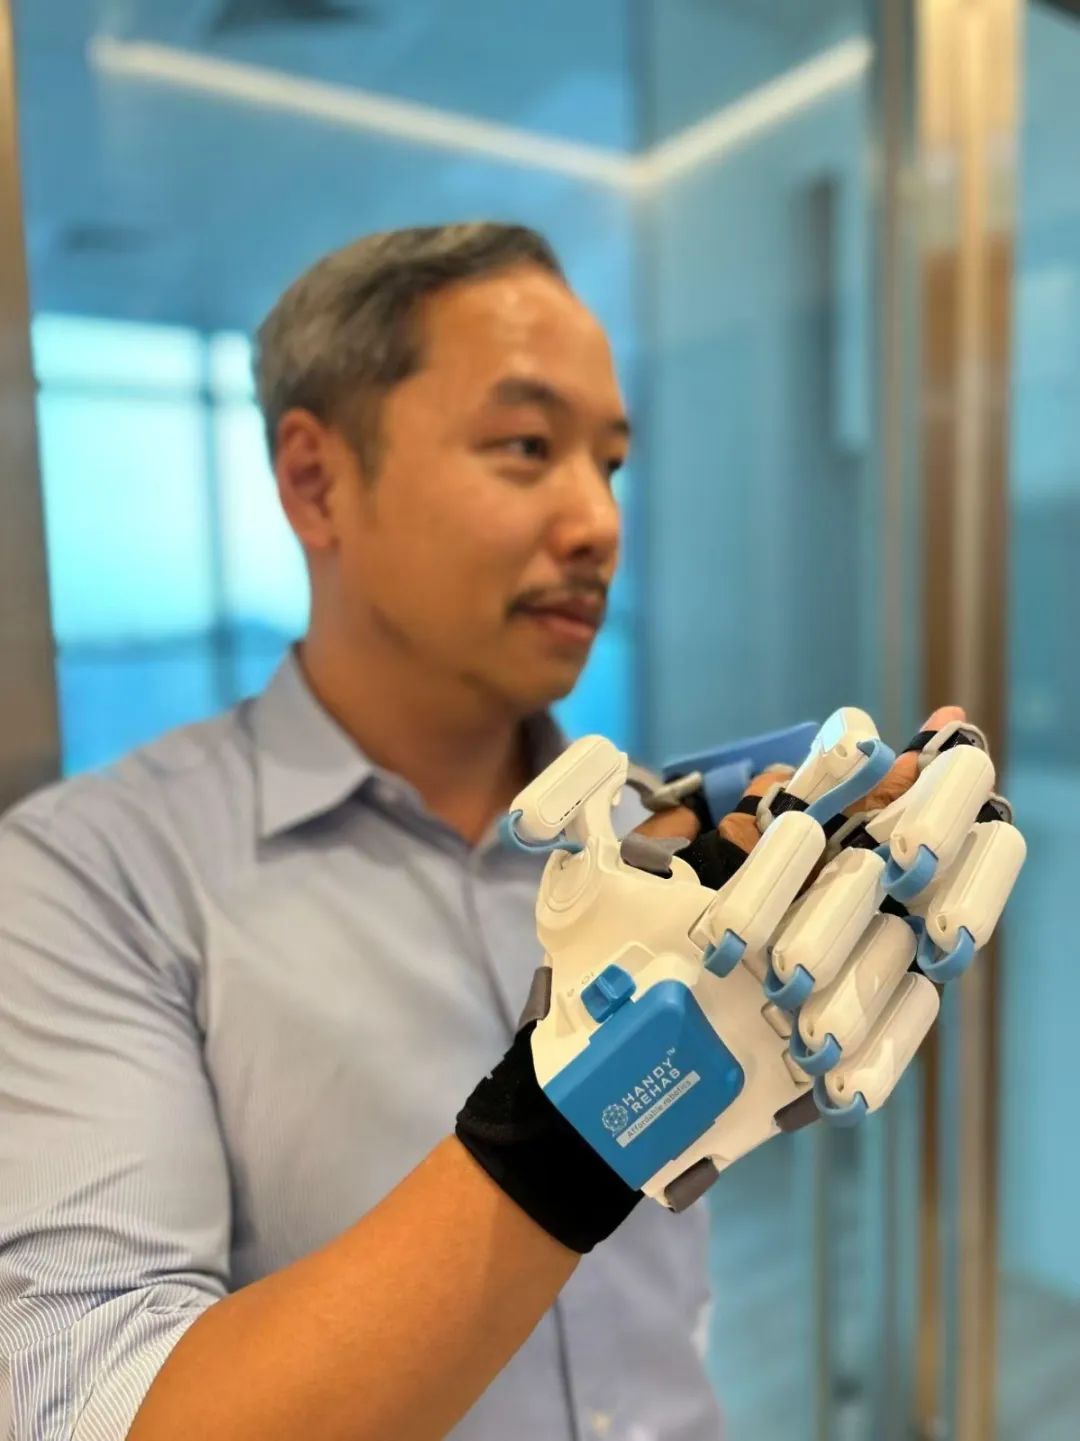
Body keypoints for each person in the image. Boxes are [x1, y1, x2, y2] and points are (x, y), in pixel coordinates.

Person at [0, 223, 953, 1441]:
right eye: (526, 447)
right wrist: (576, 1127)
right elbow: (93, 1411)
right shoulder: (91, 879)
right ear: (317, 482)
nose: (597, 520)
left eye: (611, 463)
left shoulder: (658, 844)